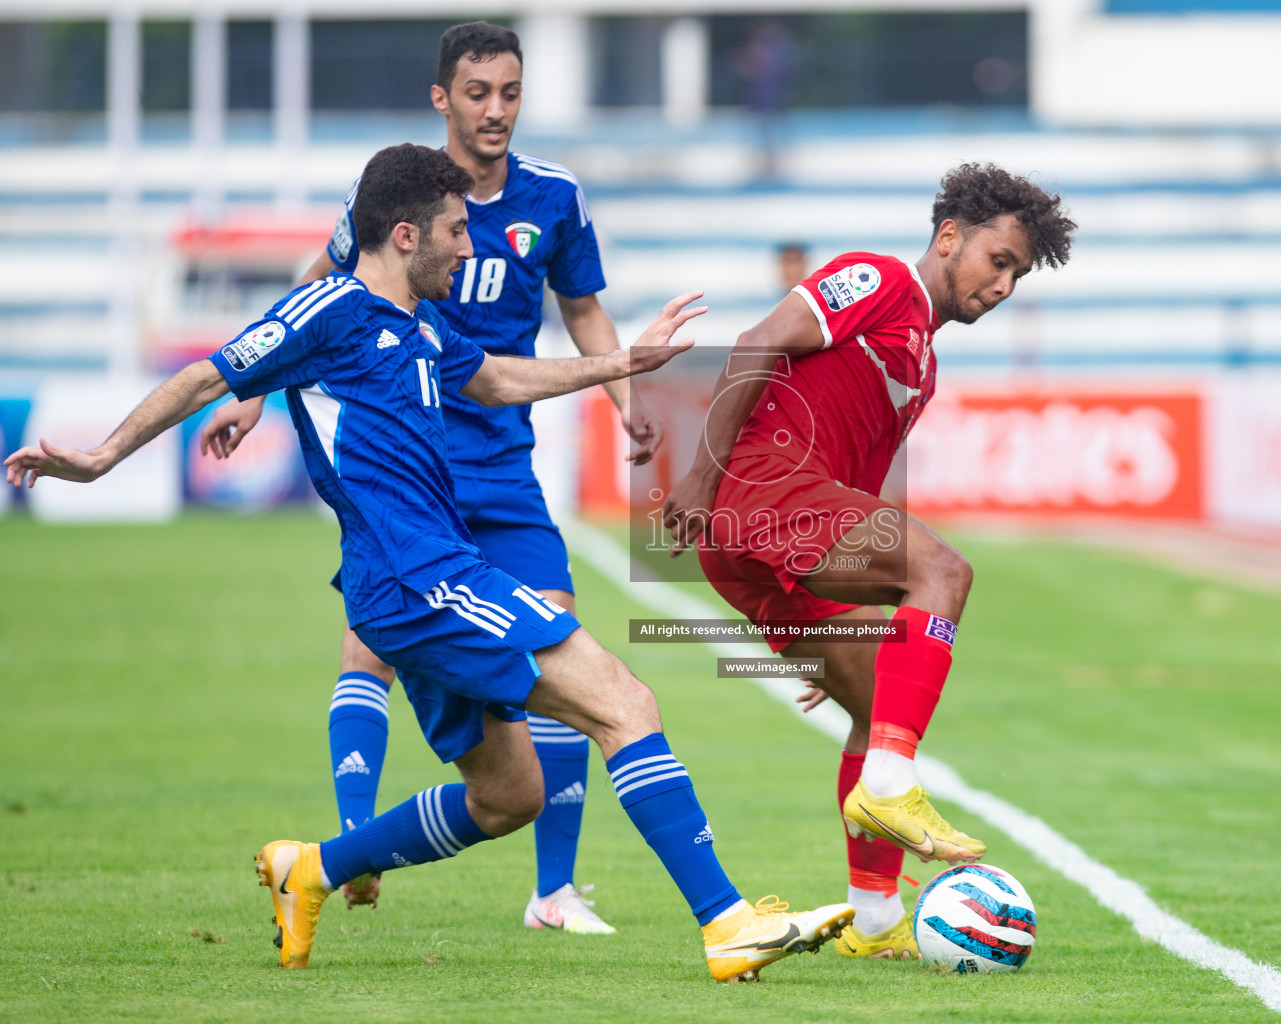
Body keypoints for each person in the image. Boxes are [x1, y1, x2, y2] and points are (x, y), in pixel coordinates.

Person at [7, 143, 854, 982]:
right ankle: (727, 924)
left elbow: (493, 381)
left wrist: (627, 362)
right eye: (456, 229)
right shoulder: (329, 309)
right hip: (423, 579)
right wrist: (102, 457)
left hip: (415, 582)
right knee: (625, 702)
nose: (471, 245)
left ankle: (314, 869)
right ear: (407, 235)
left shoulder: (421, 321)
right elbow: (208, 375)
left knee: (509, 795)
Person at [201, 22, 648, 932]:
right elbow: (321, 286)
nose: (496, 110)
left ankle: (552, 891)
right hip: (411, 461)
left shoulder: (554, 196)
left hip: (504, 461)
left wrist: (626, 398)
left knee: (561, 652)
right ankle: (352, 847)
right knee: (371, 647)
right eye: (477, 92)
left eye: (510, 92)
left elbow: (584, 308)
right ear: (443, 98)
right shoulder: (400, 196)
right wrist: (249, 389)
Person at [661, 162, 1075, 960]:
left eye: (1018, 275)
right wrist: (703, 474)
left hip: (772, 526)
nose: (1004, 285)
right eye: (999, 261)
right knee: (945, 574)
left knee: (875, 686)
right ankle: (890, 785)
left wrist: (825, 623)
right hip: (761, 490)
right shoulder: (879, 281)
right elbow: (757, 342)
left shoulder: (922, 366)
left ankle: (876, 917)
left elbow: (856, 495)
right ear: (950, 236)